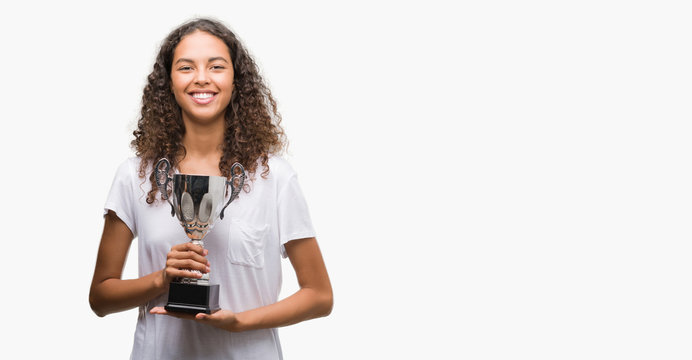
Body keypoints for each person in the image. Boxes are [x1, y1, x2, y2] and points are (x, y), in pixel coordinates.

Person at [89, 18, 333, 359]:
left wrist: (240, 322)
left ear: (236, 80)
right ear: (168, 83)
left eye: (216, 66)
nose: (202, 77)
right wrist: (161, 280)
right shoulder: (136, 176)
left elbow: (320, 295)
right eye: (186, 67)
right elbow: (100, 298)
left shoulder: (275, 177)